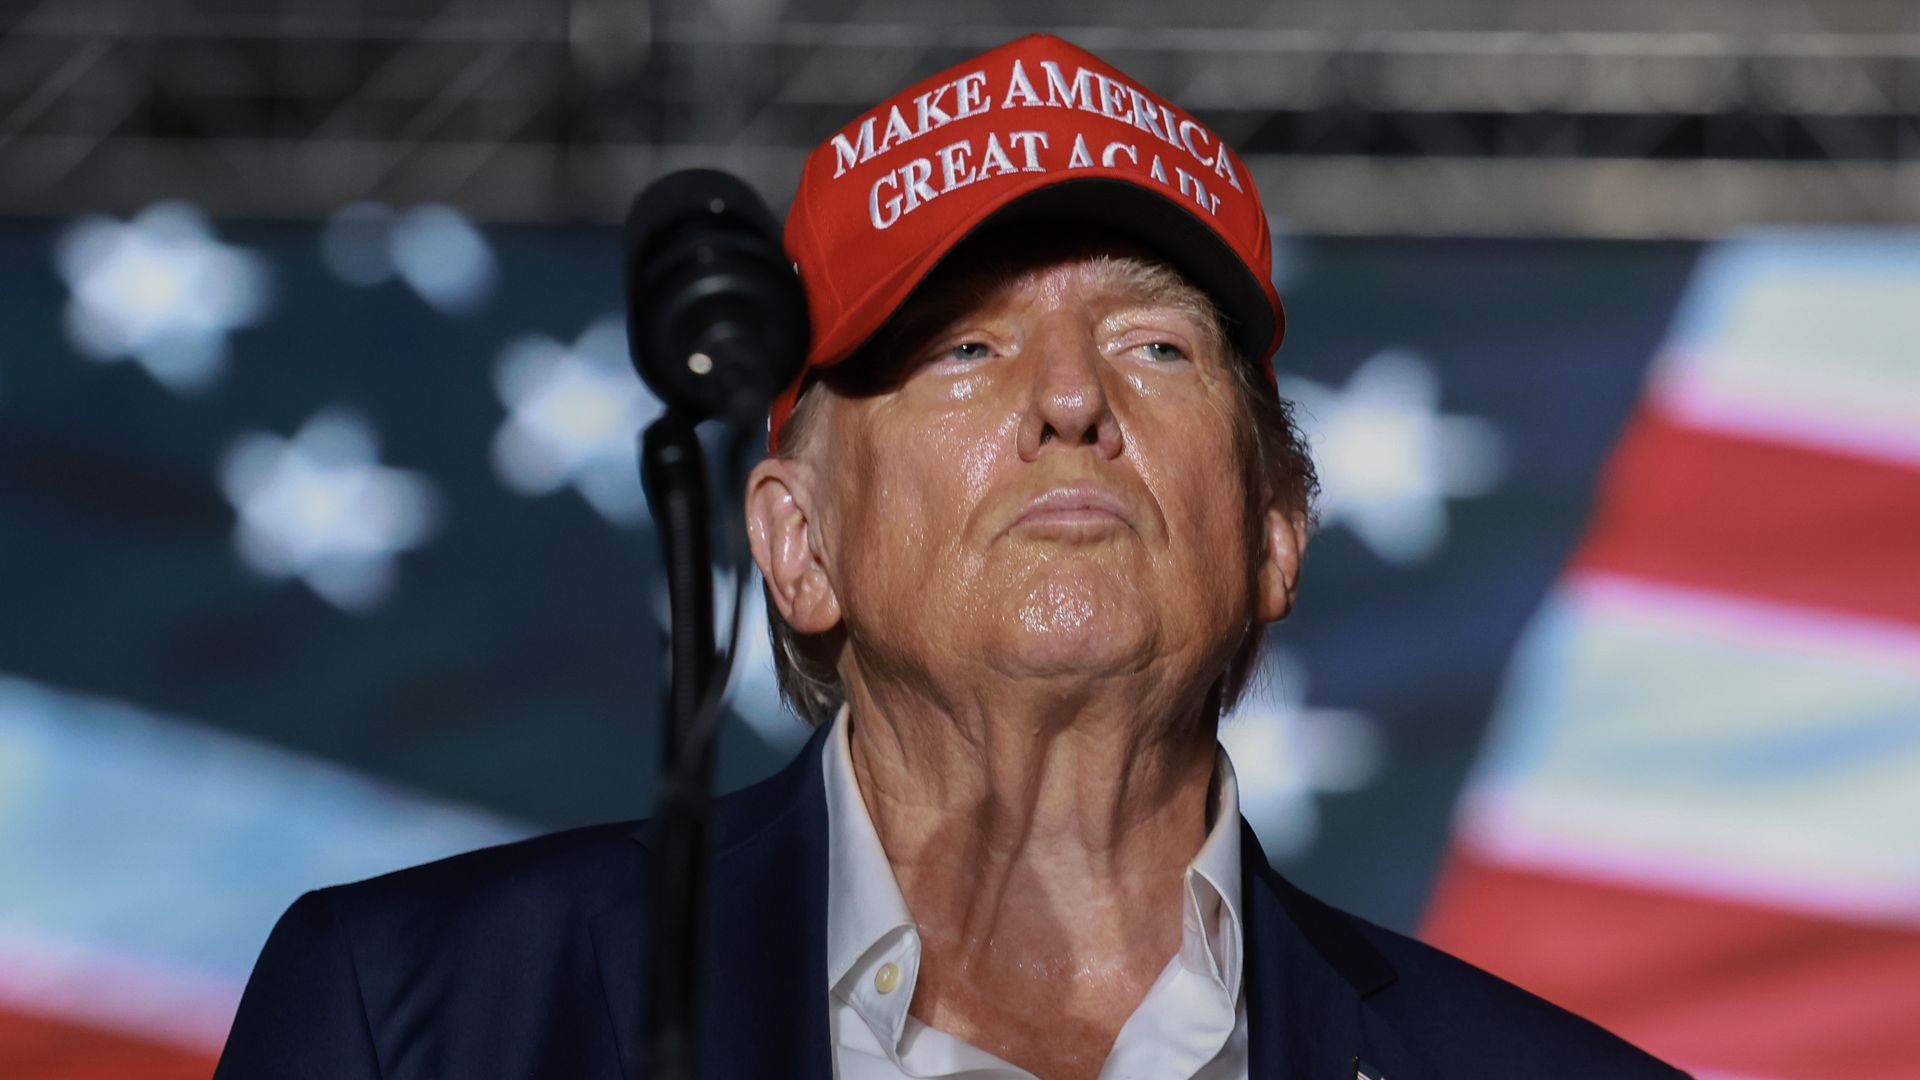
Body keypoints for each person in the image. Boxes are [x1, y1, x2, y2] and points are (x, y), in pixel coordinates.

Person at [216, 34, 1689, 1080]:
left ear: (1272, 538)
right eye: (965, 345)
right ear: (799, 544)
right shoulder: (416, 1018)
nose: (1071, 399)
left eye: (1155, 343)